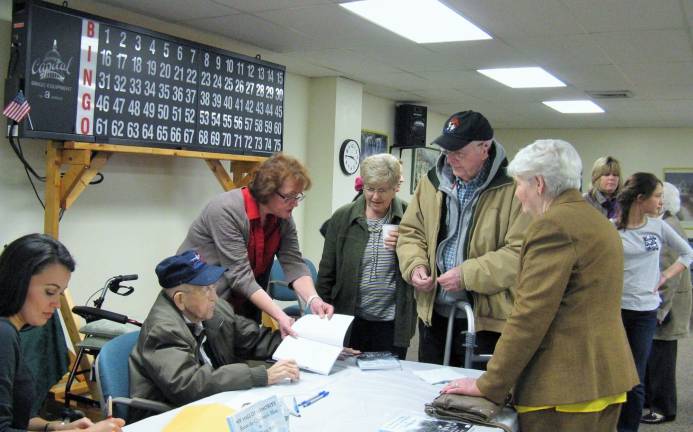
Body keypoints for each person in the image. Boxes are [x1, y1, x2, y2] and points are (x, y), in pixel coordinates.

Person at [440, 139, 638, 432]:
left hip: (563, 388)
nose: (518, 196)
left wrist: (489, 383)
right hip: (604, 377)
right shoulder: (595, 220)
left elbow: (529, 316)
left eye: (519, 184)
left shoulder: (553, 226)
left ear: (539, 184)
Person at [396, 110, 530, 367]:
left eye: (459, 153)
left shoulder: (514, 188)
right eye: (447, 151)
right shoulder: (431, 182)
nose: (451, 159)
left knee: (474, 400)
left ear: (485, 148)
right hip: (433, 315)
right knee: (428, 393)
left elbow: (519, 252)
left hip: (487, 321)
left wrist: (467, 275)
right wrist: (415, 266)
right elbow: (410, 232)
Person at [129, 250, 299, 421]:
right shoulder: (162, 330)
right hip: (169, 417)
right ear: (180, 300)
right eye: (205, 290)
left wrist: (300, 342)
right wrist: (261, 375)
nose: (215, 298)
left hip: (212, 404)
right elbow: (188, 385)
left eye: (213, 286)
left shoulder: (213, 310)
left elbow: (254, 339)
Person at [178, 153, 334, 337]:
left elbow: (293, 262)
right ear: (267, 191)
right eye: (289, 197)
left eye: (297, 196)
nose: (295, 203)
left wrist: (313, 299)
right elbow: (240, 276)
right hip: (200, 303)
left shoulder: (282, 217)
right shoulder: (226, 210)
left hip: (241, 305)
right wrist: (280, 316)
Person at [0, 234, 125, 432]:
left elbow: (16, 420)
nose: (57, 304)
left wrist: (54, 427)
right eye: (50, 292)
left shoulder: (12, 331)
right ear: (18, 282)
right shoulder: (3, 335)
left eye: (60, 293)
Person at [317, 154, 416, 359]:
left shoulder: (410, 217)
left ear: (396, 187)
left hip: (391, 324)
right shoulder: (343, 217)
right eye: (370, 189)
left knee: (389, 383)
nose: (375, 197)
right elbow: (327, 272)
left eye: (382, 190)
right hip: (349, 321)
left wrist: (406, 246)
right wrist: (322, 320)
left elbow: (424, 264)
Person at [615, 173, 693, 432]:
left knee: (635, 376)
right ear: (640, 199)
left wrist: (664, 277)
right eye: (657, 196)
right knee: (614, 373)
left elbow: (687, 253)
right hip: (615, 311)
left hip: (645, 312)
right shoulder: (612, 227)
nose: (662, 201)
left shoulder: (658, 226)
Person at [642, 182, 692, 425]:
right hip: (662, 302)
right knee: (654, 356)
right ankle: (652, 403)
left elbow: (669, 274)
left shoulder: (668, 225)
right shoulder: (662, 222)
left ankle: (663, 408)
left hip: (667, 304)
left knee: (662, 359)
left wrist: (661, 309)